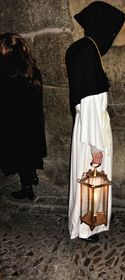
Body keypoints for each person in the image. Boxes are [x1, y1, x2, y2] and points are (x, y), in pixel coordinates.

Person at [65, 1, 125, 242]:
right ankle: (86, 226)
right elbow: (89, 98)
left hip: (90, 125)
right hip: (92, 129)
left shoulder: (84, 48)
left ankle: (91, 221)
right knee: (90, 176)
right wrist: (95, 145)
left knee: (90, 178)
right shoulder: (87, 51)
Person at [0, 33, 47, 201]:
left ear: (7, 49)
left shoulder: (7, 68)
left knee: (19, 153)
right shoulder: (31, 68)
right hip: (31, 119)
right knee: (29, 150)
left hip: (14, 120)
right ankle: (32, 176)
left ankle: (27, 188)